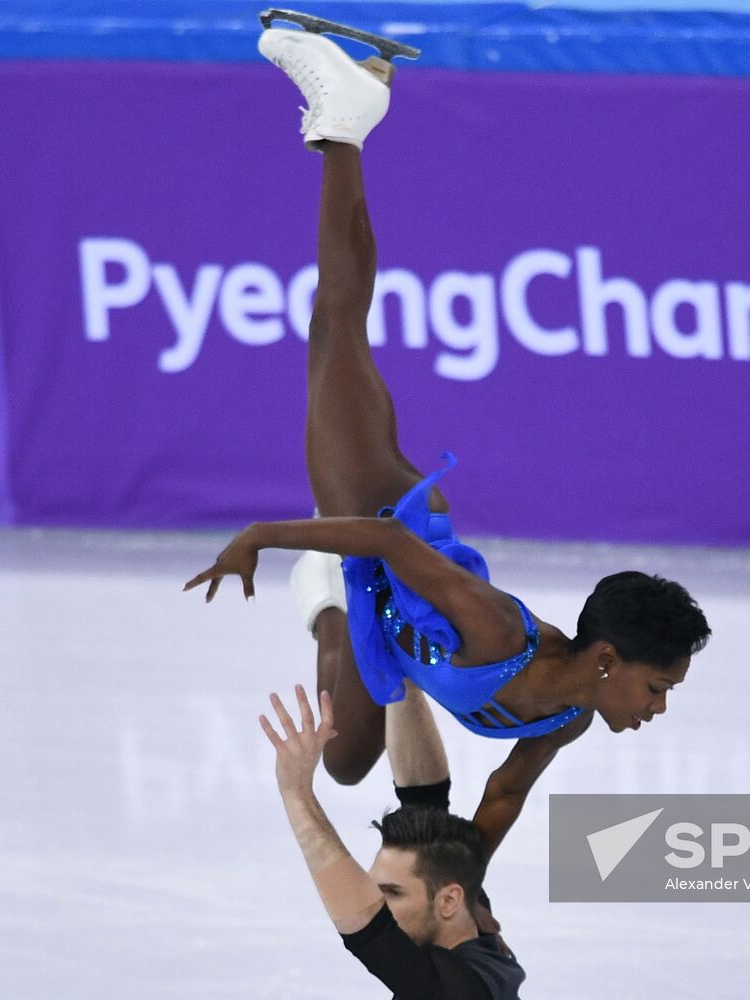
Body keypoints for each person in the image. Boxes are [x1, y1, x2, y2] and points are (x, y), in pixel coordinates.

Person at [184, 23, 711, 857]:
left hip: (379, 603)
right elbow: (390, 537)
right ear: (607, 659)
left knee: (350, 763)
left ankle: (327, 596)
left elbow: (501, 795)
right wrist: (256, 537)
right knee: (336, 328)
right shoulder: (499, 632)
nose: (658, 707)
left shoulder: (568, 716)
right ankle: (343, 128)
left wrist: (465, 900)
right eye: (658, 686)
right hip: (383, 508)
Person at [261, 681, 524, 999]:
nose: (376, 904)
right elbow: (424, 795)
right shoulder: (469, 921)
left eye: (392, 894)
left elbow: (372, 934)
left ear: (449, 902)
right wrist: (400, 675)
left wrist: (296, 793)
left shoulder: (459, 992)